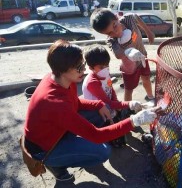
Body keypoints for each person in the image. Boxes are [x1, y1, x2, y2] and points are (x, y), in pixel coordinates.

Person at [23, 40, 157, 181]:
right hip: (45, 148)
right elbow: (96, 136)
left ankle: (73, 150)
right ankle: (56, 165)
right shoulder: (55, 102)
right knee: (102, 151)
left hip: (55, 131)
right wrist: (134, 120)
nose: (84, 70)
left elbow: (75, 102)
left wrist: (98, 104)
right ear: (62, 69)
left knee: (101, 112)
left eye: (83, 65)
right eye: (79, 67)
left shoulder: (62, 80)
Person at [82, 45, 143, 147]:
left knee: (125, 115)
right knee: (119, 144)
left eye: (107, 65)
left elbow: (111, 89)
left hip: (110, 107)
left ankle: (121, 122)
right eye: (101, 67)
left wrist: (118, 104)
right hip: (100, 114)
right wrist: (129, 103)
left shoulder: (104, 74)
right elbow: (108, 103)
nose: (106, 69)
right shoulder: (92, 82)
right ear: (91, 68)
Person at [90, 8, 155, 102]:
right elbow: (118, 55)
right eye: (109, 33)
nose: (115, 32)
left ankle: (150, 97)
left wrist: (148, 32)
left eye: (115, 26)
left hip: (143, 57)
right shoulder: (112, 40)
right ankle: (127, 107)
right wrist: (128, 51)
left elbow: (136, 17)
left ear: (117, 18)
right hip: (129, 68)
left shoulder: (128, 20)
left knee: (146, 78)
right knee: (129, 89)